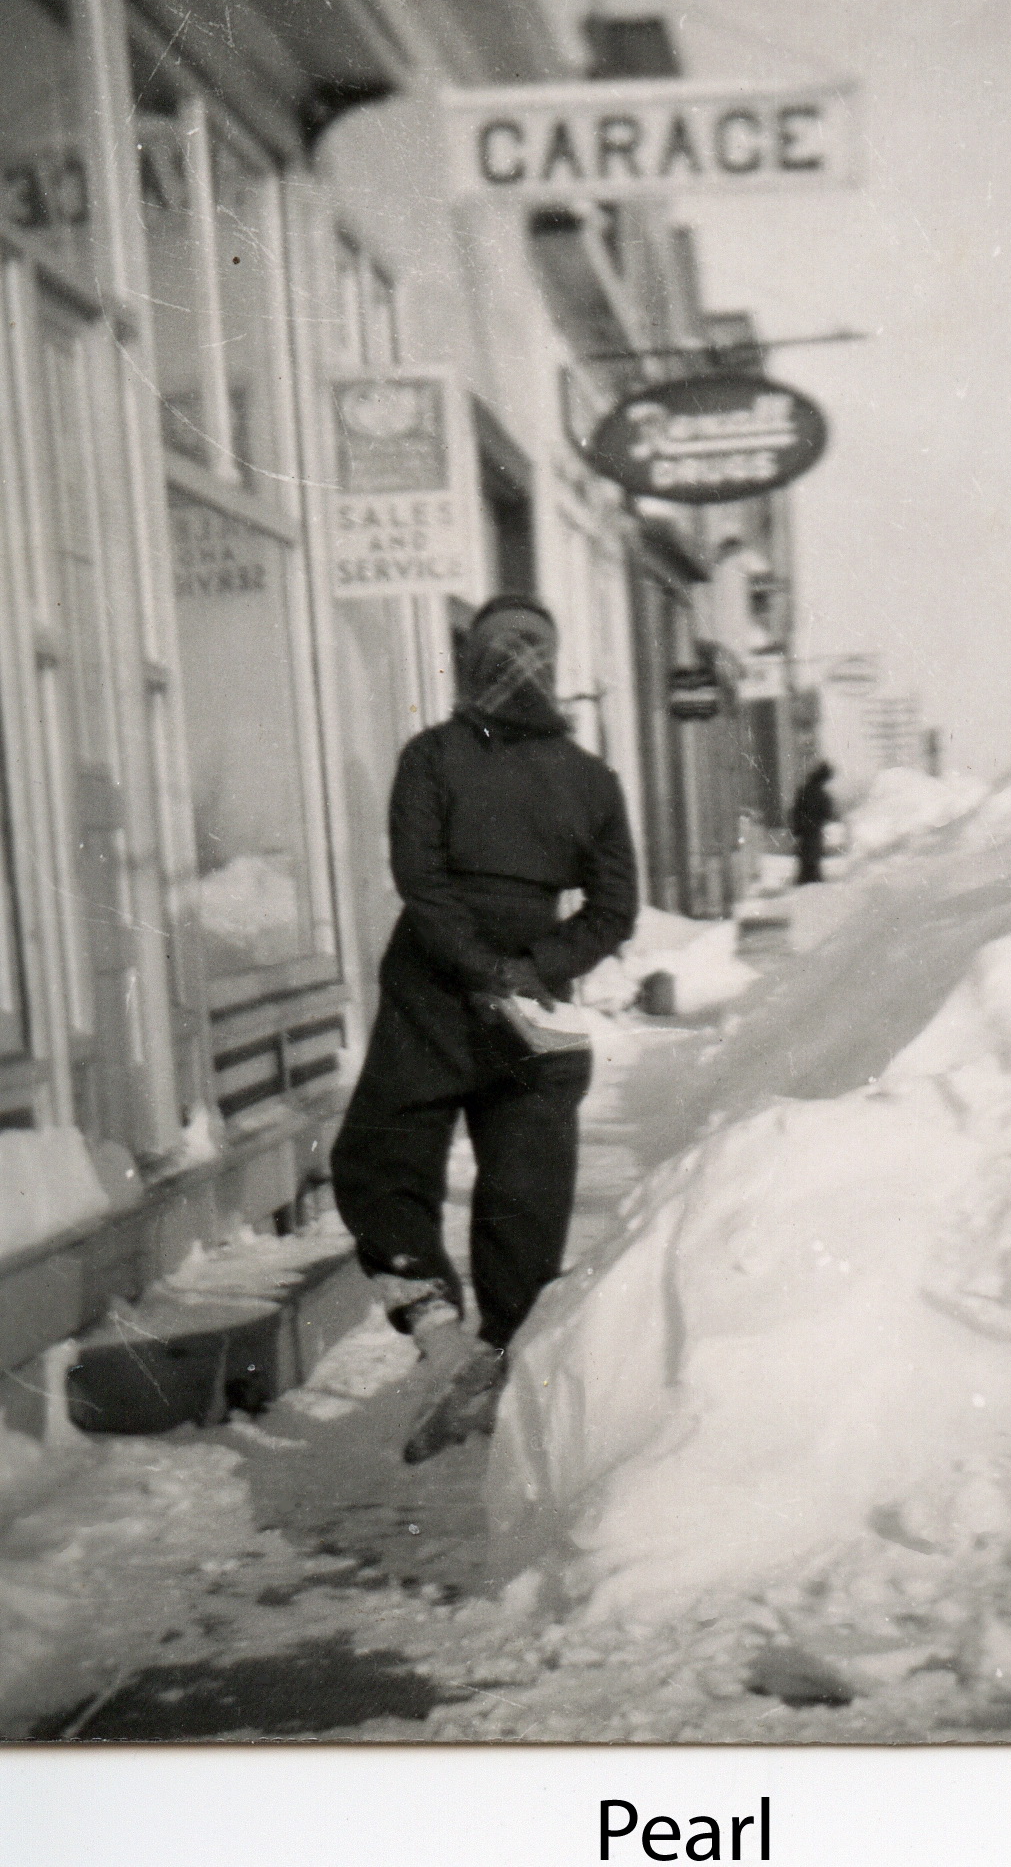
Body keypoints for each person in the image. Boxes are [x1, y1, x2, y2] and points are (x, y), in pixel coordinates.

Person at [331, 596, 638, 1463]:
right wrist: (534, 968)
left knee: (381, 1161)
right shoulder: (590, 779)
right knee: (524, 1197)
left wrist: (481, 969)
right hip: (534, 1003)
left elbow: (419, 881)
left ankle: (440, 1338)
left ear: (473, 663)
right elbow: (615, 909)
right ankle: (500, 1369)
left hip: (435, 985)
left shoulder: (431, 758)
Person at [789, 759, 836, 886]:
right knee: (813, 860)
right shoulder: (821, 794)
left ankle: (806, 881)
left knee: (805, 860)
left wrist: (796, 828)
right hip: (814, 831)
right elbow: (828, 813)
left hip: (804, 831)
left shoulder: (804, 790)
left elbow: (795, 811)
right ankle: (811, 882)